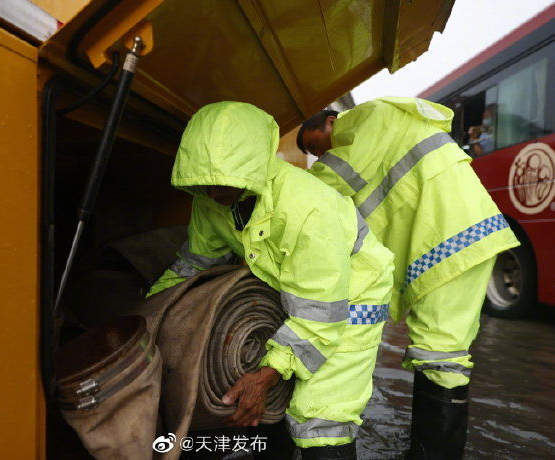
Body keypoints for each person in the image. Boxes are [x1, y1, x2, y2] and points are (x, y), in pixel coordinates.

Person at [148, 101, 394, 459]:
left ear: (252, 170)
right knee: (286, 394)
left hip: (353, 293)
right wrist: (150, 312)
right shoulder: (209, 199)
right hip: (297, 289)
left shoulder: (307, 207)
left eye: (223, 183)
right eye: (205, 183)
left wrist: (266, 374)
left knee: (321, 414)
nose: (214, 194)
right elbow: (194, 264)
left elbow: (320, 312)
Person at [296, 97, 520, 459]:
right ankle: (424, 447)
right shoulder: (382, 135)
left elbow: (333, 180)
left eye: (316, 145)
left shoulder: (370, 117)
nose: (320, 156)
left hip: (450, 239)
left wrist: (286, 188)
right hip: (451, 241)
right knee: (437, 352)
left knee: (441, 355)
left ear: (332, 122)